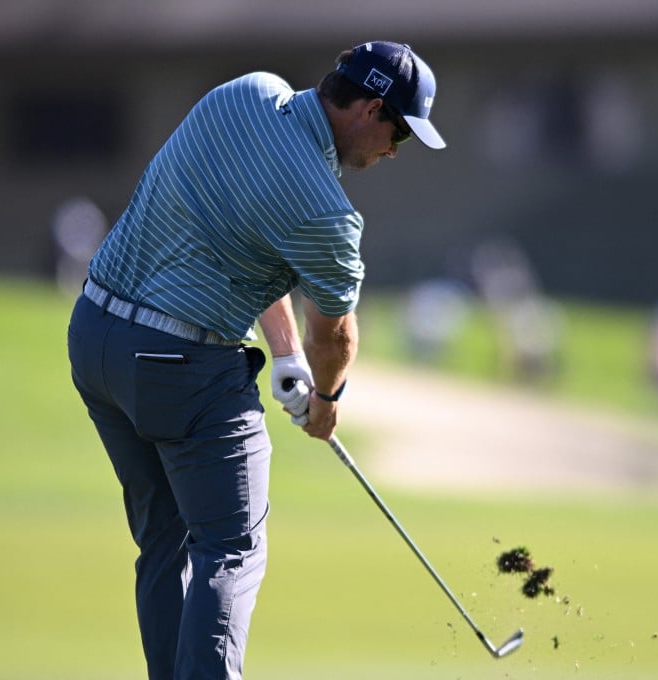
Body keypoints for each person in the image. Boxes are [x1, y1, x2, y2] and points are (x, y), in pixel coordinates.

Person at [66, 41, 445, 679]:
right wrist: (325, 402)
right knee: (230, 549)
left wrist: (284, 352)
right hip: (179, 368)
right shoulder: (328, 214)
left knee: (167, 541)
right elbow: (339, 339)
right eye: (399, 134)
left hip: (95, 338)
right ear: (371, 109)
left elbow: (241, 235)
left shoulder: (245, 93)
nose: (393, 152)